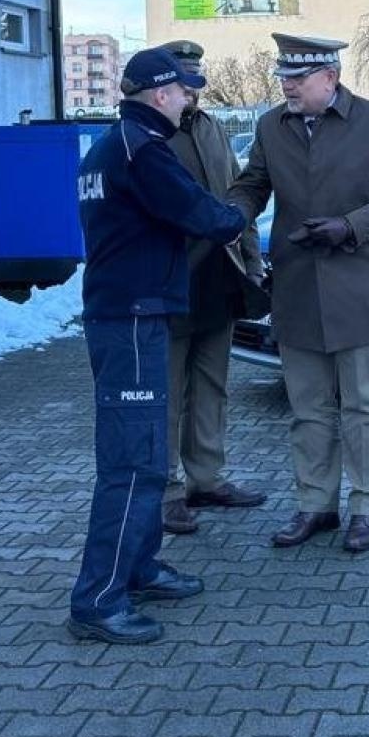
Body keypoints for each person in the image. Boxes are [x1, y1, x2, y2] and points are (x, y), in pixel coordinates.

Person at [68, 47, 247, 645]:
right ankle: (98, 599)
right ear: (158, 94)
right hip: (134, 320)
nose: (189, 99)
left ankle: (140, 567)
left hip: (126, 313)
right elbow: (208, 217)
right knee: (133, 462)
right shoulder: (145, 151)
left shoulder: (112, 143)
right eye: (183, 91)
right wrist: (240, 209)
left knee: (141, 459)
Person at [227, 33, 369, 553]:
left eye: (297, 78)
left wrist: (350, 226)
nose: (287, 86)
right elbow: (254, 184)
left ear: (330, 78)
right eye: (283, 78)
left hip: (357, 287)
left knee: (362, 407)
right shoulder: (272, 125)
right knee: (308, 408)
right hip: (296, 289)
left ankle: (365, 506)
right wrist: (232, 213)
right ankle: (315, 504)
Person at [157, 40, 272, 537]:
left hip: (219, 278)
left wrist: (252, 262)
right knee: (166, 392)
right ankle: (165, 491)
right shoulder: (149, 137)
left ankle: (206, 478)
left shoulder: (211, 128)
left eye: (195, 83)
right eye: (184, 83)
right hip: (171, 282)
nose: (192, 92)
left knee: (211, 386)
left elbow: (237, 201)